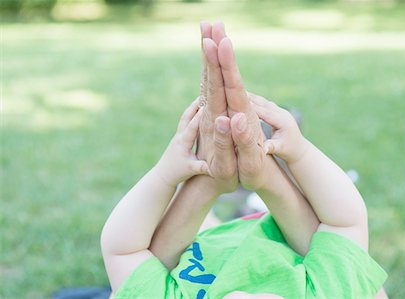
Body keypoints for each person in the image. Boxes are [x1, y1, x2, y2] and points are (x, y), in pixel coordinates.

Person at [100, 21, 388, 298]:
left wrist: (166, 174)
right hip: (290, 235)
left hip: (195, 243)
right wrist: (300, 153)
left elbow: (123, 249)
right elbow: (344, 222)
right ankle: (261, 175)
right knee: (369, 290)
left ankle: (215, 179)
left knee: (196, 235)